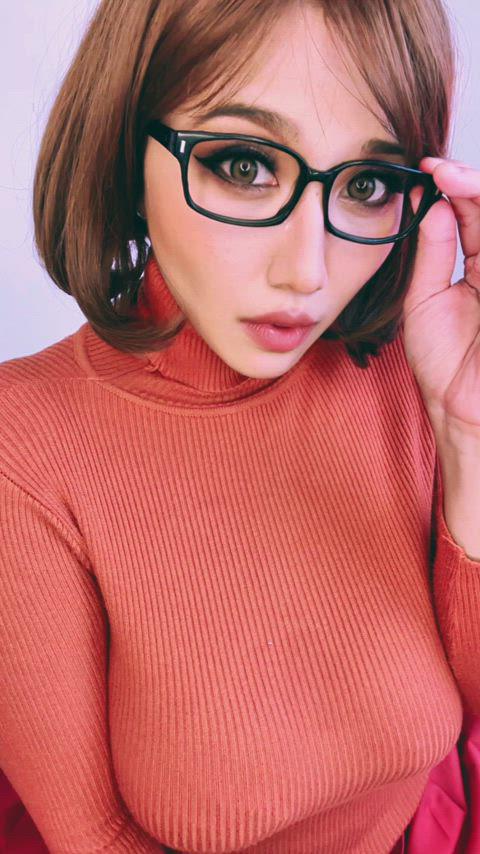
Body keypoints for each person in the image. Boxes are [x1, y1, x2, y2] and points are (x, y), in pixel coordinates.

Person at [1, 0, 480, 852]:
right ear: (125, 150)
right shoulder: (24, 446)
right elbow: (93, 836)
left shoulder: (414, 374)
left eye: (367, 185)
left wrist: (467, 437)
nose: (308, 269)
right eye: (245, 164)